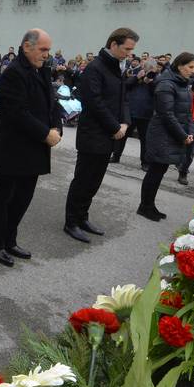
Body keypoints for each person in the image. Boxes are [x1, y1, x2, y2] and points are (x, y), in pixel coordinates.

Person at [0, 29, 62, 265]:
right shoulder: (14, 73)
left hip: (35, 148)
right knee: (5, 197)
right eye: (43, 50)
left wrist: (57, 127)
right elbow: (17, 112)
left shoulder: (41, 71)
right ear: (26, 46)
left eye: (48, 50)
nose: (46, 55)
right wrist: (45, 133)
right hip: (13, 148)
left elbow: (52, 103)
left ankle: (10, 239)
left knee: (23, 197)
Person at [64, 27, 137, 242]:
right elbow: (94, 102)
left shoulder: (116, 67)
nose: (129, 54)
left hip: (109, 134)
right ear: (113, 44)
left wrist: (124, 122)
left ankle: (82, 217)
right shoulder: (96, 68)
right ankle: (71, 222)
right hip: (93, 134)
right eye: (127, 49)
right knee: (83, 179)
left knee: (95, 180)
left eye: (132, 50)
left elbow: (123, 98)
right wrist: (115, 127)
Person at [138, 53, 194, 220]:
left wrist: (190, 132)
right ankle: (145, 206)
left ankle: (150, 205)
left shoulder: (183, 84)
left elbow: (187, 112)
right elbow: (166, 114)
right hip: (162, 133)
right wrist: (182, 135)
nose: (193, 71)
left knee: (160, 170)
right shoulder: (166, 83)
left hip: (173, 133)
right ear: (180, 66)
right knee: (155, 171)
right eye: (190, 67)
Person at [112, 58, 157, 167]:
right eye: (146, 67)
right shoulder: (136, 73)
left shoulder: (156, 78)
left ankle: (145, 162)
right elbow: (125, 85)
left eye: (150, 68)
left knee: (145, 139)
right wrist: (137, 78)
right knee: (122, 135)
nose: (148, 70)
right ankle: (116, 156)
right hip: (130, 111)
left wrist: (150, 83)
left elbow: (157, 92)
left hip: (146, 114)